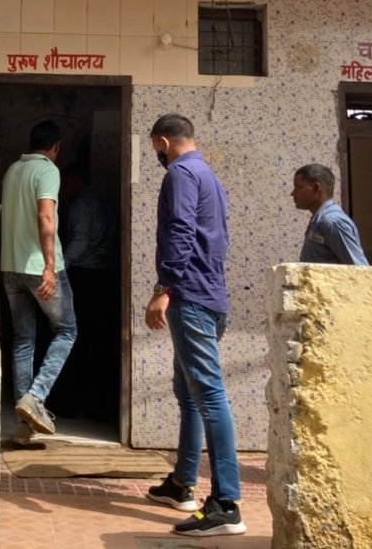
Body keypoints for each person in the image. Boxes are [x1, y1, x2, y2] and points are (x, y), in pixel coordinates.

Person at [144, 113, 246, 537]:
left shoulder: (180, 175)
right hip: (210, 295)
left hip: (191, 297)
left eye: (155, 148)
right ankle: (182, 483)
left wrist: (164, 288)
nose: (157, 155)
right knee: (188, 393)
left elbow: (182, 232)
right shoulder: (209, 176)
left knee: (208, 394)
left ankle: (226, 504)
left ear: (163, 142)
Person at [0, 119, 77, 444]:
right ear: (56, 147)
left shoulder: (12, 171)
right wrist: (49, 266)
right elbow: (45, 215)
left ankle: (23, 426)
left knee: (23, 339)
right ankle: (36, 396)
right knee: (66, 330)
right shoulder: (47, 170)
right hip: (39, 267)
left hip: (11, 267)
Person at [48, 164, 119, 422]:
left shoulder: (81, 206)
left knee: (74, 340)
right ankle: (99, 407)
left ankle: (69, 404)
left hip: (85, 277)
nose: (63, 190)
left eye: (66, 184)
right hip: (107, 276)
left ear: (76, 181)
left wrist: (58, 268)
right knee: (100, 344)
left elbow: (80, 240)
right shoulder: (104, 201)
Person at [291, 164, 369, 265]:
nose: (293, 193)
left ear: (316, 188)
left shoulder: (332, 222)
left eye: (298, 188)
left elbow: (359, 268)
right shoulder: (319, 219)